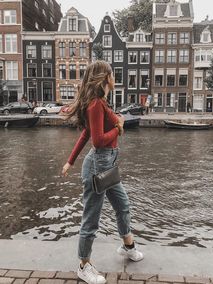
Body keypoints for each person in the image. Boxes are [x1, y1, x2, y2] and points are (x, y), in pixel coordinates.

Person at [61, 61, 143, 284]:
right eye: (112, 74)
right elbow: (97, 141)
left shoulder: (100, 102)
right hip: (98, 166)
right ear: (105, 78)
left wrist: (70, 161)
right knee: (91, 219)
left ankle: (128, 246)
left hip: (108, 165)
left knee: (123, 206)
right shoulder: (96, 104)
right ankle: (83, 265)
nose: (114, 77)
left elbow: (87, 133)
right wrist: (118, 127)